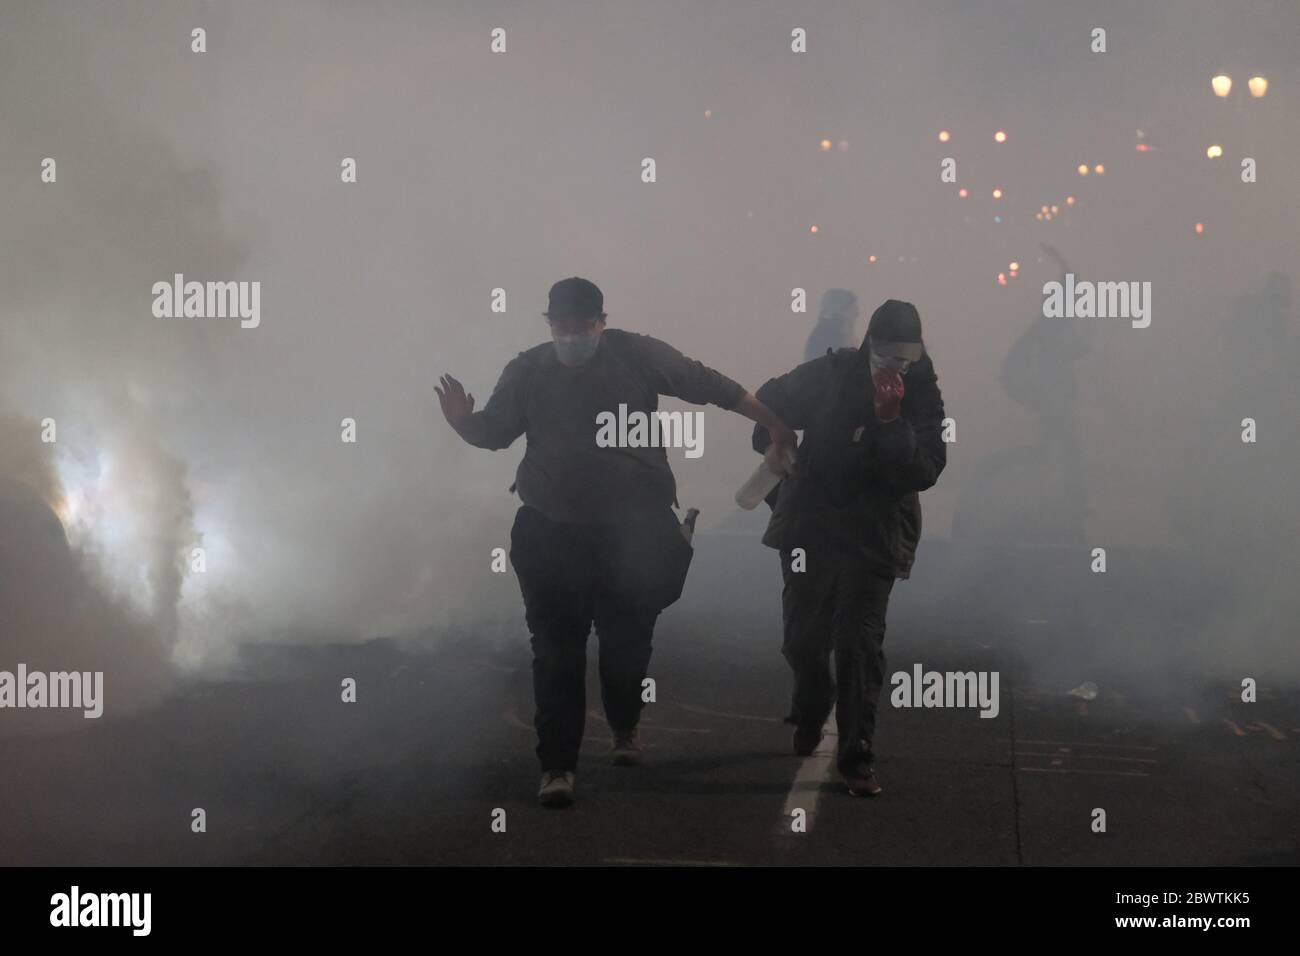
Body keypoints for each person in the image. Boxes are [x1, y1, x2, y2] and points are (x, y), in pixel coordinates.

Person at [436, 277, 796, 808]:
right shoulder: (528, 370)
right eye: (563, 326)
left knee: (626, 646)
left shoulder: (638, 355)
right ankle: (557, 766)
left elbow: (708, 384)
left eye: (584, 326)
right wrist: (465, 425)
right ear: (549, 324)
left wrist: (773, 422)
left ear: (601, 322)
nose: (573, 335)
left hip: (633, 534)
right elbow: (496, 432)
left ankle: (625, 727)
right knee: (555, 651)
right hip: (550, 531)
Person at [751, 299, 946, 796]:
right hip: (811, 523)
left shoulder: (922, 392)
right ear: (869, 346)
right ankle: (812, 709)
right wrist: (773, 439)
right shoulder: (832, 372)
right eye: (887, 356)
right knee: (802, 637)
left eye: (906, 359)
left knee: (858, 645)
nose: (896, 368)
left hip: (876, 532)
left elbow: (925, 470)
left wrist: (889, 421)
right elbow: (768, 403)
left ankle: (857, 754)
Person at [804, 289, 860, 362]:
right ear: (841, 310)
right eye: (852, 308)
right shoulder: (826, 336)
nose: (857, 313)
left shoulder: (831, 332)